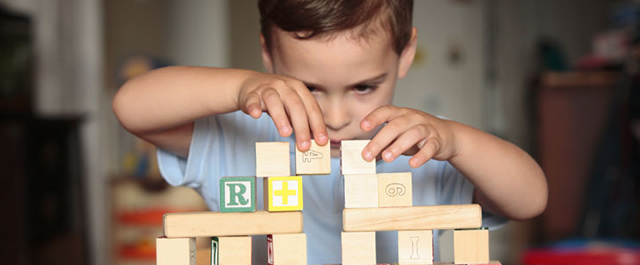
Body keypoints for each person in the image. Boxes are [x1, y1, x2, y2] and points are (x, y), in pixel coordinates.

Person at [112, 0, 548, 263]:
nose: (336, 116)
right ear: (268, 55)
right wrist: (240, 87)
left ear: (405, 53)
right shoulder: (244, 136)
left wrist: (457, 140)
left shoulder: (423, 151)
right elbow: (132, 106)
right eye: (309, 88)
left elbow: (530, 198)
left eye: (364, 87)